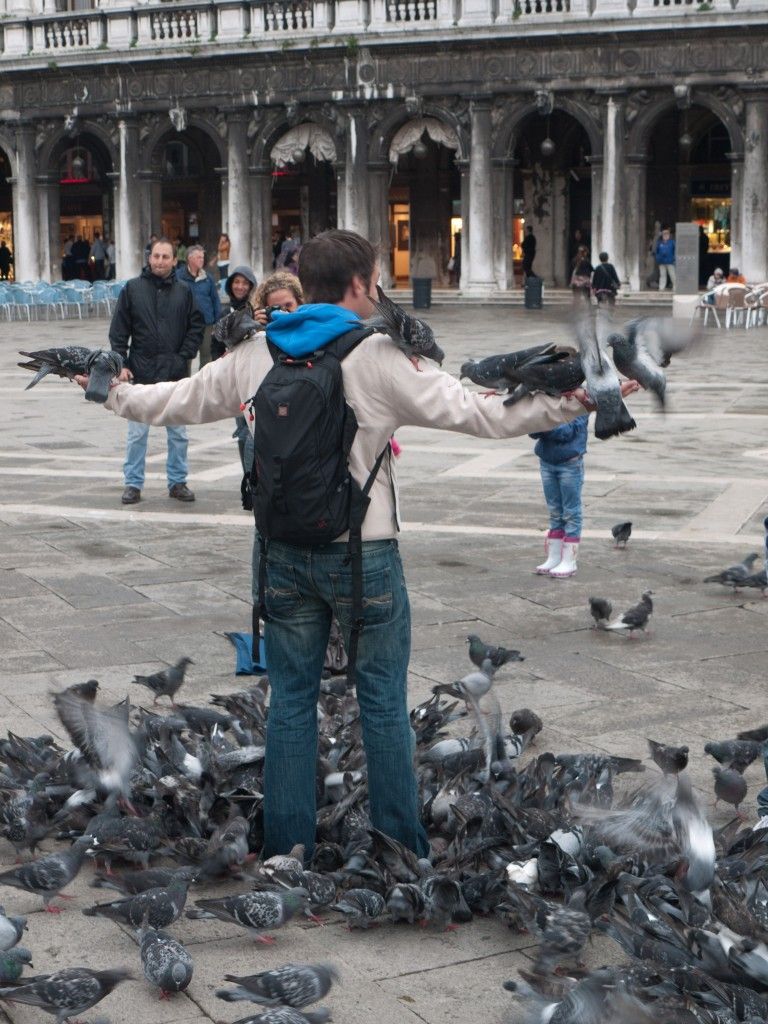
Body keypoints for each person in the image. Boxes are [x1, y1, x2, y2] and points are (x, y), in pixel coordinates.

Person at [80, 229, 637, 859]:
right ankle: (398, 844)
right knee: (380, 702)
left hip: (282, 555)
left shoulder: (257, 351)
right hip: (365, 556)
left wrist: (111, 391)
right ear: (357, 285)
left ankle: (287, 852)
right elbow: (481, 412)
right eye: (374, 281)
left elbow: (176, 400)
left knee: (290, 702)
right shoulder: (376, 356)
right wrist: (580, 401)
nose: (379, 292)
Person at [108, 236, 204, 506]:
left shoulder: (184, 291)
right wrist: (122, 363)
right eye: (156, 256)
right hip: (141, 372)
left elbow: (196, 327)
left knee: (178, 433)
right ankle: (133, 483)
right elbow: (119, 331)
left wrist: (183, 355)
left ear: (175, 260)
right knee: (137, 434)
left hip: (174, 374)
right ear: (149, 258)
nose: (160, 261)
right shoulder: (133, 289)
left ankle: (178, 481)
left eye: (166, 257)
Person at [529, 415, 589, 579]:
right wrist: (539, 423)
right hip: (546, 462)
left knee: (571, 512)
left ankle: (569, 561)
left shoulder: (581, 400)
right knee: (554, 511)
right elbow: (532, 430)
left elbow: (566, 432)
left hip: (570, 464)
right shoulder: (546, 397)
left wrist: (544, 424)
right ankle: (554, 557)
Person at [176, 244, 221, 368]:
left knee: (206, 355)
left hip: (206, 322)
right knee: (187, 355)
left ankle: (204, 384)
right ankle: (185, 384)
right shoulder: (178, 277)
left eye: (202, 257)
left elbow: (215, 300)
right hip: (186, 323)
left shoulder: (208, 278)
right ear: (189, 259)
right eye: (198, 257)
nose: (202, 259)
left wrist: (217, 321)